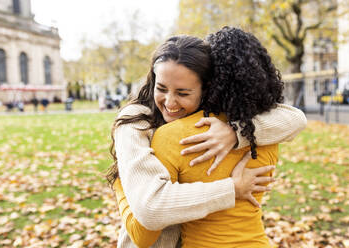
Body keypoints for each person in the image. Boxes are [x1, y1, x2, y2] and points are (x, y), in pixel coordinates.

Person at [109, 32, 306, 247]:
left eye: (183, 93)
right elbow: (150, 209)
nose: (170, 103)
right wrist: (232, 188)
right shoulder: (135, 120)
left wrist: (235, 132)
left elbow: (295, 119)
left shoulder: (216, 120)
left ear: (206, 89)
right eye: (161, 88)